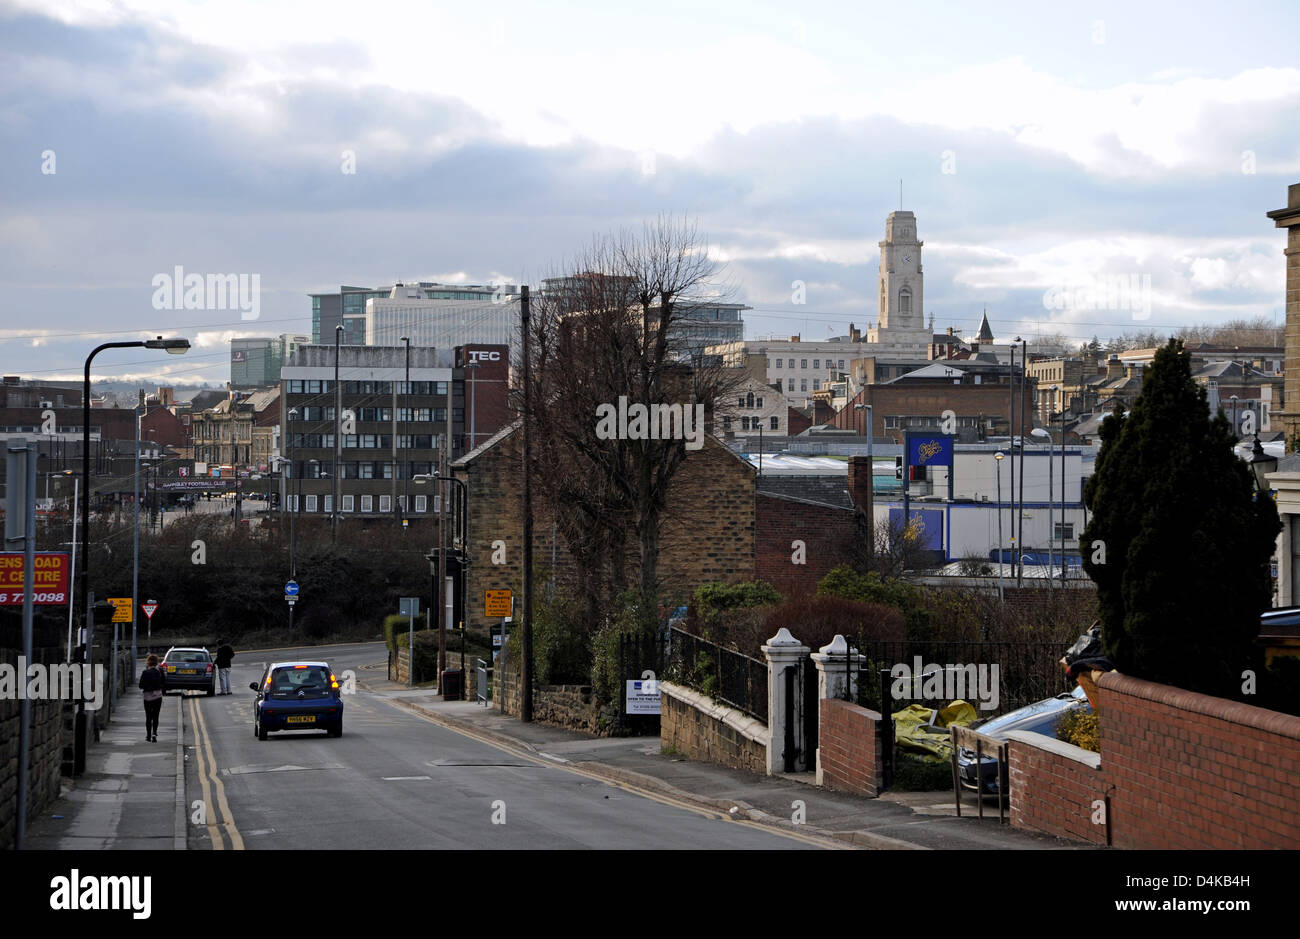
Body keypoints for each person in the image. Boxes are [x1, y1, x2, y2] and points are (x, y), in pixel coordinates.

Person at [139, 654, 164, 742]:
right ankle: (154, 733)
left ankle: (148, 736)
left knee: (148, 716)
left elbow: (140, 686)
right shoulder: (159, 671)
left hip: (147, 698)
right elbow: (163, 683)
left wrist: (147, 686)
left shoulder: (145, 673)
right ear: (156, 662)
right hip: (158, 697)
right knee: (156, 716)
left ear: (148, 662)